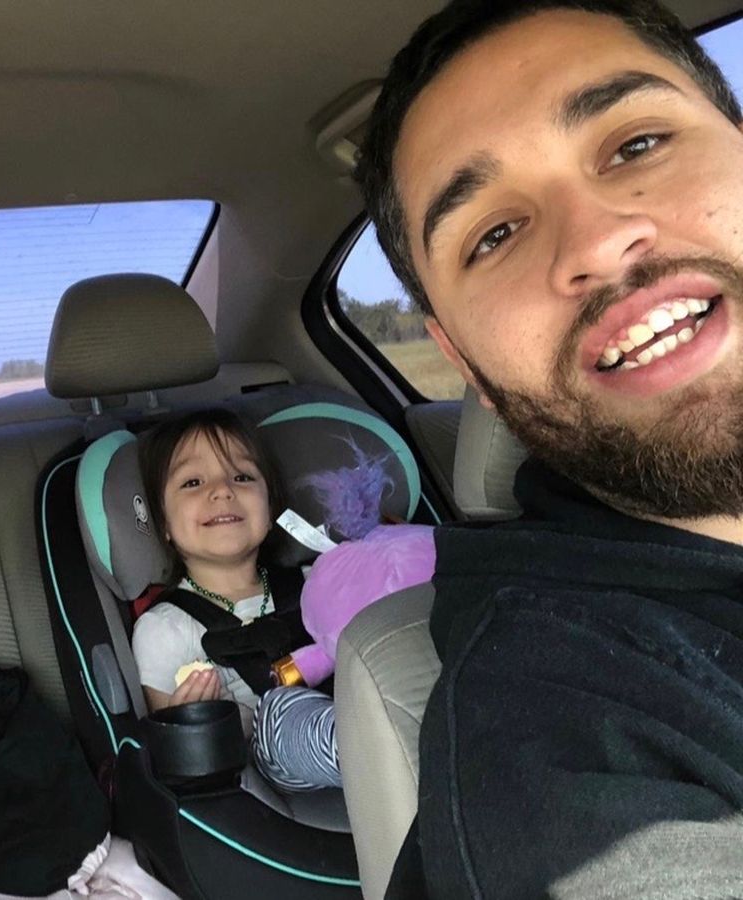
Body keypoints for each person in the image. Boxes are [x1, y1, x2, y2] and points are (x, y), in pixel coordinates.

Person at [358, 1, 743, 896]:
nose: (598, 243)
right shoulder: (547, 736)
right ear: (468, 367)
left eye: (636, 144)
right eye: (494, 235)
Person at [130, 408, 341, 790]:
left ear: (270, 508)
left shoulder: (320, 581)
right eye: (193, 482)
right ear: (164, 524)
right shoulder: (165, 628)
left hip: (366, 702)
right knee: (278, 711)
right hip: (273, 754)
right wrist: (198, 718)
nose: (223, 490)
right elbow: (175, 746)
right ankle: (369, 746)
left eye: (242, 477)